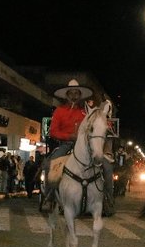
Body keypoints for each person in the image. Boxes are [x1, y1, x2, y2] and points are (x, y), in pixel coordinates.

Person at [42, 79, 114, 214]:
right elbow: (53, 131)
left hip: (86, 147)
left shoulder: (86, 112)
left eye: (76, 93)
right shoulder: (59, 111)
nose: (74, 96)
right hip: (66, 145)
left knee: (107, 167)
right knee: (50, 164)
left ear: (80, 96)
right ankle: (49, 197)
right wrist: (69, 136)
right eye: (71, 93)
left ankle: (108, 200)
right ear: (67, 95)